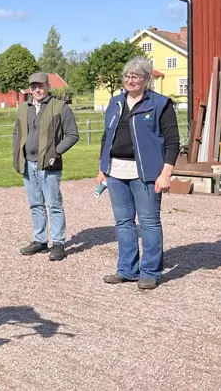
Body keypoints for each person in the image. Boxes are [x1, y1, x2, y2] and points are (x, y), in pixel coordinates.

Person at [97, 57, 179, 290]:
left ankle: (151, 272)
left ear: (147, 79)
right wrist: (102, 168)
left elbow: (172, 141)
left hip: (146, 173)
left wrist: (166, 173)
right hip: (115, 171)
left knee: (149, 222)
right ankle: (126, 269)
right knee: (123, 222)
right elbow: (107, 136)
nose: (130, 80)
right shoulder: (115, 103)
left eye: (136, 76)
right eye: (127, 76)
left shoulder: (161, 104)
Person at [13, 72, 80, 261]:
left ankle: (58, 243)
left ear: (48, 86)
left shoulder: (60, 107)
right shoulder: (23, 108)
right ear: (29, 89)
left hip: (48, 164)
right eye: (33, 87)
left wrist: (55, 151)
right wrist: (17, 155)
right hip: (28, 163)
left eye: (40, 86)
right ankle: (40, 240)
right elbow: (16, 133)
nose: (37, 90)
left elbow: (72, 135)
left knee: (54, 204)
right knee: (35, 204)